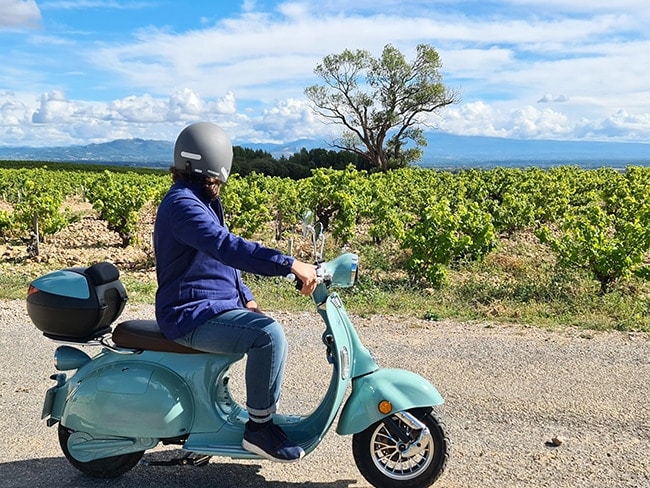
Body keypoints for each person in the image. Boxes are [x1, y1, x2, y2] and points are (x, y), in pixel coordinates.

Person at [153, 121, 317, 462]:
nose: (221, 184)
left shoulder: (198, 200)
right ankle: (259, 428)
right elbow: (225, 246)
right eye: (218, 178)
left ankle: (230, 422)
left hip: (210, 307)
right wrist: (289, 264)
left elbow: (219, 261)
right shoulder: (183, 206)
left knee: (262, 326)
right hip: (188, 315)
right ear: (208, 169)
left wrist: (246, 296)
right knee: (268, 336)